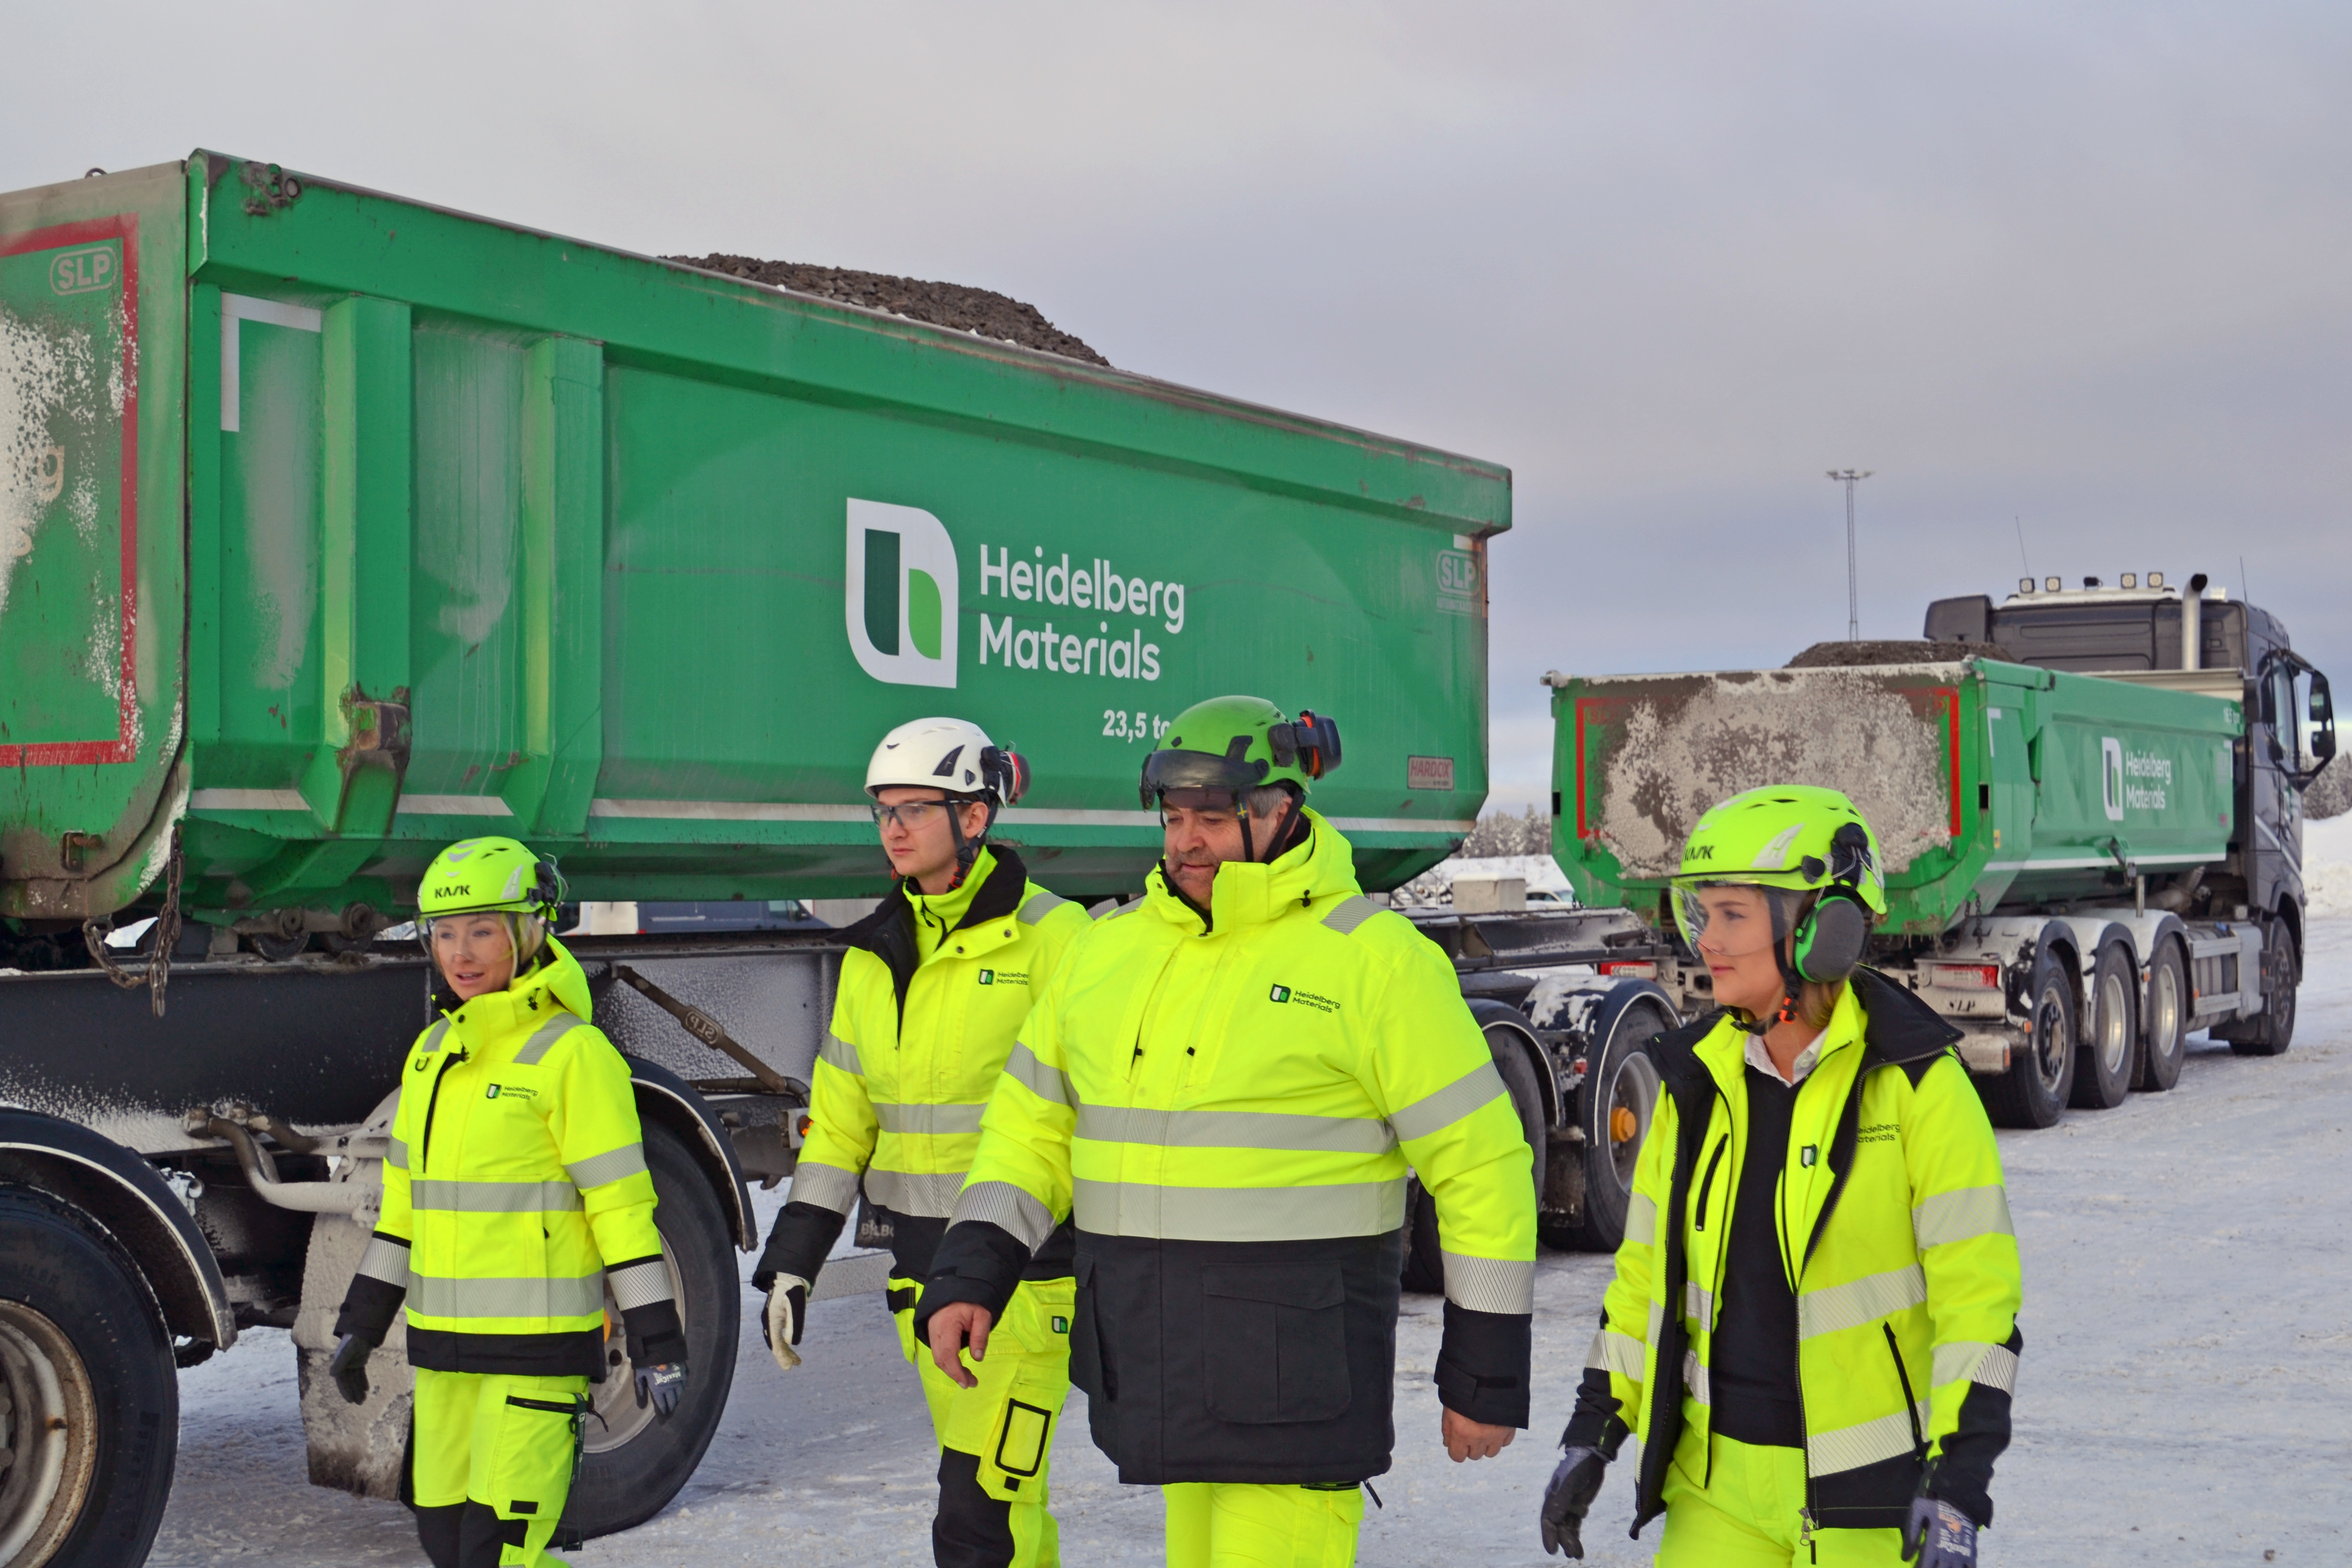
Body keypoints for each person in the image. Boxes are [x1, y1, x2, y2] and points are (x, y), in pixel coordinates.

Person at [917, 695, 1537, 1568]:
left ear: (1282, 810)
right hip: (1161, 1380)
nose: (1187, 841)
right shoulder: (1105, 953)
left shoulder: (1375, 961)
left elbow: (1481, 1164)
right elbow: (1030, 1130)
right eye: (1174, 818)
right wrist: (972, 1270)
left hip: (1297, 1395)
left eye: (1213, 817)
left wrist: (1486, 1369)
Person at [1537, 786, 2021, 1568]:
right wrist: (1595, 1430)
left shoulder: (1918, 1086)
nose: (1707, 941)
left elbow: (1979, 1304)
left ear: (1819, 931)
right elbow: (1642, 1288)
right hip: (1716, 1493)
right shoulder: (1693, 1086)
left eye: (1732, 914)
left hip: (1867, 1503)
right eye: (1702, 914)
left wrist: (1959, 1484)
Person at [750, 717, 1090, 1568]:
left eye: (916, 809)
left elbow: (1088, 1116)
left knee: (975, 1526)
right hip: (919, 1283)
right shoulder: (872, 957)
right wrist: (794, 1259)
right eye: (883, 811)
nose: (894, 829)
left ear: (975, 818)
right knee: (1011, 1524)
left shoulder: (1058, 942)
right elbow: (840, 1127)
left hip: (1026, 1282)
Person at [327, 837, 687, 1568]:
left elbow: (620, 1210)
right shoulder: (432, 1056)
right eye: (445, 934)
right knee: (444, 1543)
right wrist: (362, 1326)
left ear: (531, 932)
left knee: (503, 1554)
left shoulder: (573, 1055)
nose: (461, 954)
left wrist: (658, 1341)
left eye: (483, 931)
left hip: (535, 1356)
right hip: (446, 1359)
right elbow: (406, 1211)